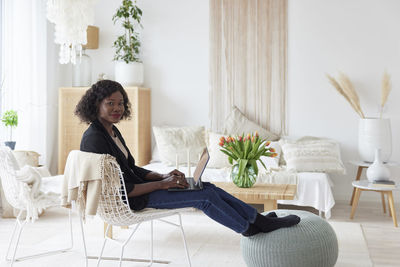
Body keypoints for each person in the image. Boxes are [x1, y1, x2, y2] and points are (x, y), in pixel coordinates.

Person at [75, 80, 300, 236]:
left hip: (141, 190)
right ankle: (249, 228)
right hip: (131, 200)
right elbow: (123, 188)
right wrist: (163, 184)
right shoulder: (94, 139)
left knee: (207, 186)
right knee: (202, 197)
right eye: (110, 103)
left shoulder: (111, 130)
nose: (117, 108)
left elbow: (132, 168)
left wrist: (162, 175)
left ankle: (259, 220)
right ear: (97, 105)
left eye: (121, 103)